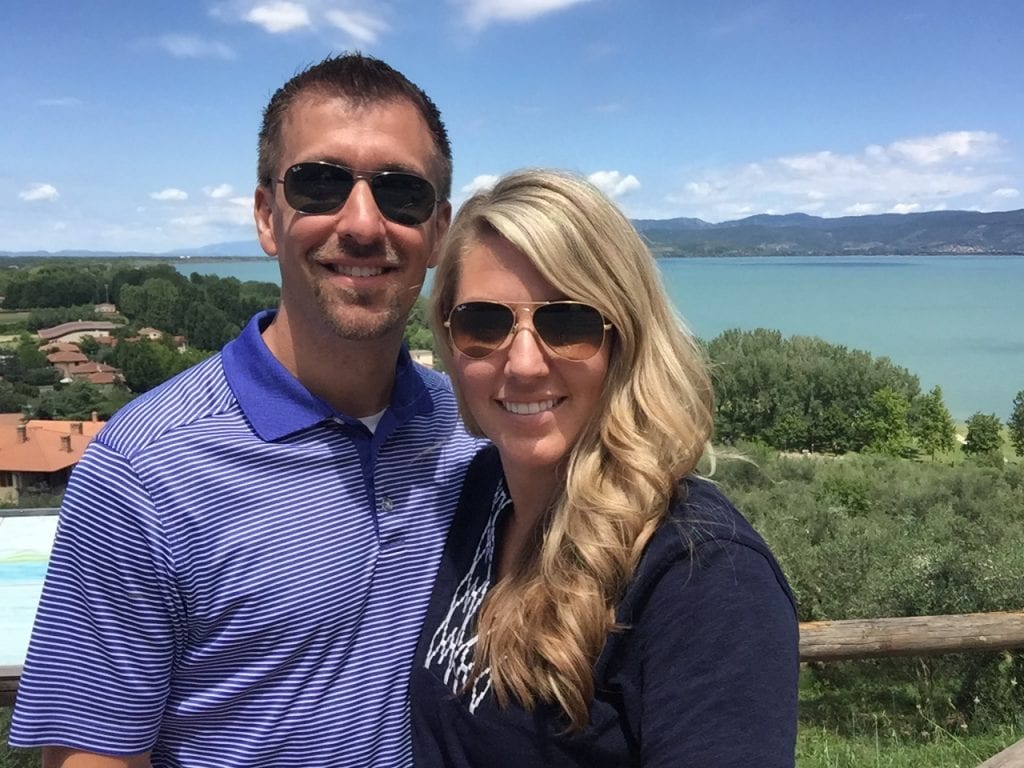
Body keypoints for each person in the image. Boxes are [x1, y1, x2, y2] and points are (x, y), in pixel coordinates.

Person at [11, 53, 482, 768]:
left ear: (438, 232)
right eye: (320, 183)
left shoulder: (469, 434)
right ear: (267, 215)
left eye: (401, 193)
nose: (362, 223)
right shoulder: (145, 472)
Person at [411, 169, 800, 767]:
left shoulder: (704, 576)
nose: (522, 364)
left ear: (625, 339)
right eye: (483, 324)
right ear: (450, 338)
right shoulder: (481, 493)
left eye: (567, 324)